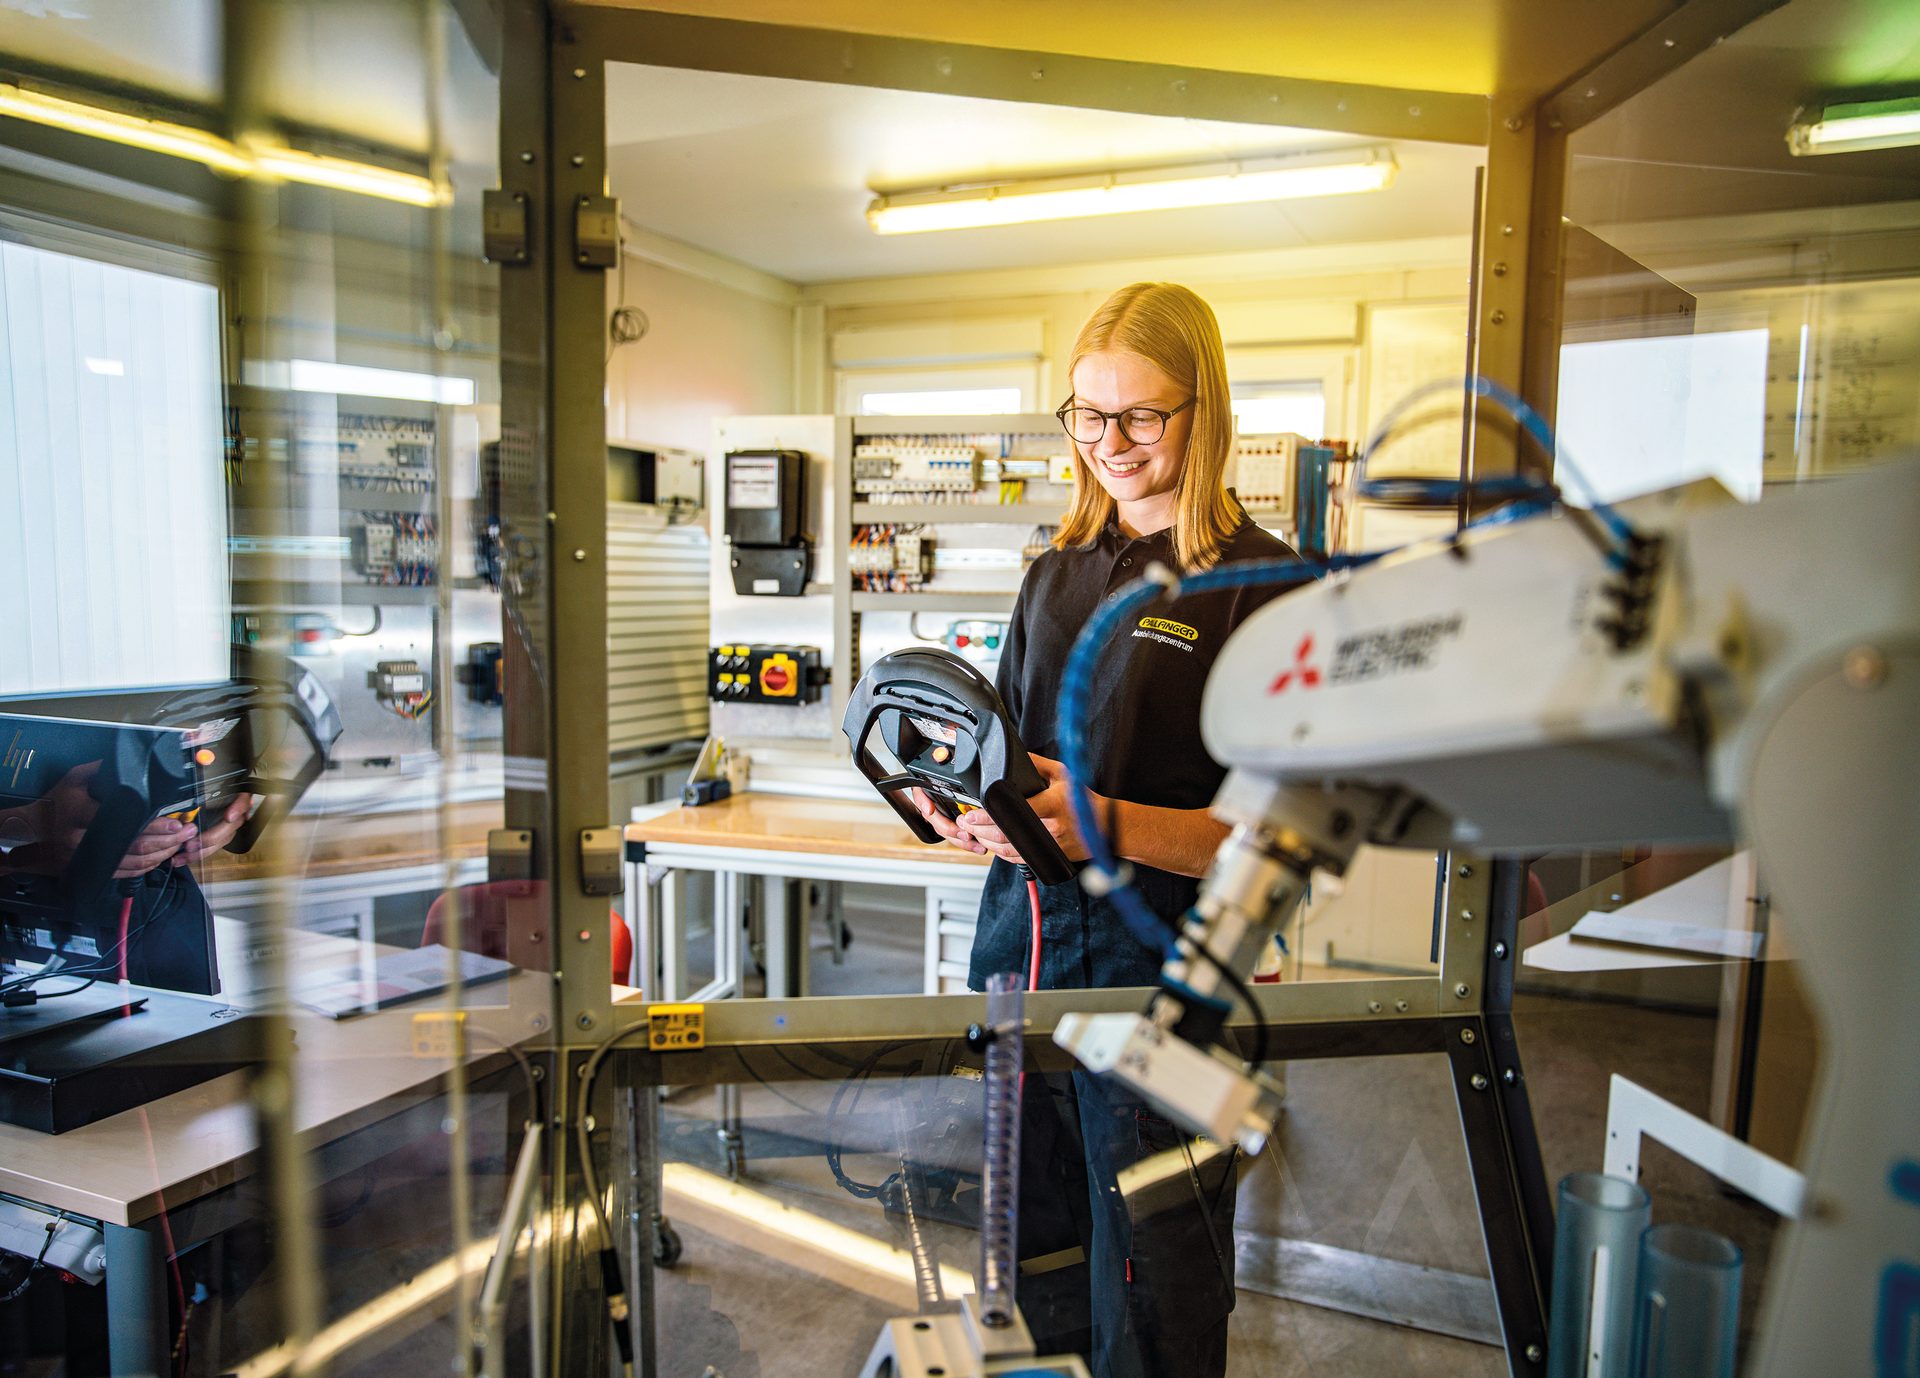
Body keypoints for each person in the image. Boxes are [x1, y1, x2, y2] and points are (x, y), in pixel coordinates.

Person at [911, 281, 1308, 1378]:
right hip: (1023, 971)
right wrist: (960, 811)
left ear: (1205, 408)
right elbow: (1006, 760)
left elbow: (1274, 845)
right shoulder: (1052, 575)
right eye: (1088, 416)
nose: (1111, 444)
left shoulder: (1265, 590)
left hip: (1173, 992)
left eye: (1142, 416)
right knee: (1032, 1267)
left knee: (1164, 1286)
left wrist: (1102, 825)